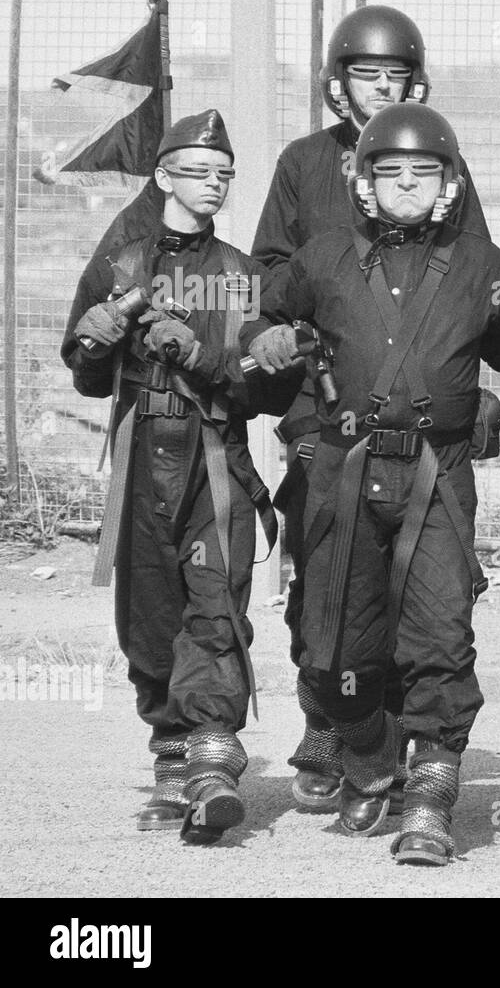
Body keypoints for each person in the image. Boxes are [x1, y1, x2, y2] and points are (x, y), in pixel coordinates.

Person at [245, 103, 500, 866]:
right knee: (334, 654)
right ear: (363, 185)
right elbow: (264, 332)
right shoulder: (319, 259)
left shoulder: (483, 268)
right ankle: (367, 756)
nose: (406, 187)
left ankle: (430, 794)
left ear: (451, 186)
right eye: (389, 174)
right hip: (342, 473)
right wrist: (261, 346)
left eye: (424, 174)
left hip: (437, 473)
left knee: (439, 642)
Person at [252, 5, 490, 813]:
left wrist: (474, 386)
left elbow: (475, 292)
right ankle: (338, 726)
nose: (379, 90)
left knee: (421, 601)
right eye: (366, 76)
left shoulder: (431, 156)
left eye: (394, 77)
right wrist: (277, 340)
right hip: (326, 410)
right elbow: (272, 278)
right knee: (328, 590)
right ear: (337, 83)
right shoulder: (303, 165)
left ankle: (406, 753)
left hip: (420, 423)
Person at [63, 110, 286, 844]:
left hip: (212, 457)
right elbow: (89, 378)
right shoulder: (122, 262)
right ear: (163, 176)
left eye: (224, 173)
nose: (213, 184)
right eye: (198, 171)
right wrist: (95, 345)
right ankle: (171, 755)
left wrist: (199, 355)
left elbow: (257, 391)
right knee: (149, 618)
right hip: (139, 457)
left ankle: (214, 757)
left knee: (215, 606)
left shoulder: (240, 275)